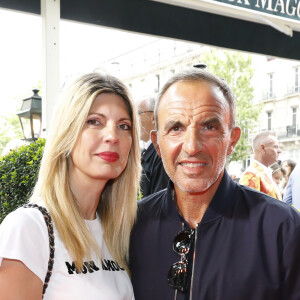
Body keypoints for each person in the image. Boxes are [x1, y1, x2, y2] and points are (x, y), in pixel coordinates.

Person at [129, 68, 300, 300]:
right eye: (176, 128)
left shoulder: (282, 229)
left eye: (209, 127)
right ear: (158, 144)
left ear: (232, 140)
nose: (191, 146)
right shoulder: (132, 226)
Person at [0, 73, 141, 299]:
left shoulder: (118, 232)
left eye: (124, 126)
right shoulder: (29, 228)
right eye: (94, 121)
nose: (112, 136)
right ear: (67, 132)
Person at [137, 95, 168, 198]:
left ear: (153, 117)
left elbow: (158, 200)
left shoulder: (161, 154)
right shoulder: (144, 152)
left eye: (138, 114)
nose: (134, 121)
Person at [239, 131, 282, 200]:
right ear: (262, 148)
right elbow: (248, 208)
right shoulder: (252, 174)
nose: (279, 151)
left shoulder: (263, 172)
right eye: (275, 147)